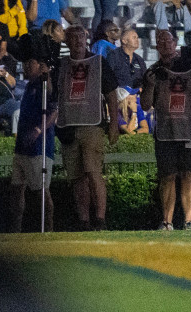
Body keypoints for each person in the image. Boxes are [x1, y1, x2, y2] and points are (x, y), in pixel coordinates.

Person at [56, 25, 120, 230]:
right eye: (72, 38)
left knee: (93, 173)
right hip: (69, 126)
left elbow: (111, 94)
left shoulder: (98, 62)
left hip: (92, 124)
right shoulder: (61, 64)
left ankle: (100, 219)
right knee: (76, 177)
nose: (77, 42)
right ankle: (83, 220)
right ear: (66, 41)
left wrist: (114, 124)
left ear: (86, 39)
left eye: (81, 38)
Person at [143, 29, 191, 230]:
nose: (165, 45)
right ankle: (166, 221)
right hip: (165, 130)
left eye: (168, 41)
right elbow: (145, 105)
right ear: (156, 46)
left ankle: (188, 221)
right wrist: (151, 85)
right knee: (167, 175)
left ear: (176, 42)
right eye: (160, 41)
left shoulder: (190, 66)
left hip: (189, 129)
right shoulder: (153, 71)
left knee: (189, 173)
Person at [9, 54, 56, 232]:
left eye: (31, 63)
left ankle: (48, 230)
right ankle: (15, 230)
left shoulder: (45, 85)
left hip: (39, 148)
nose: (26, 66)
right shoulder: (29, 86)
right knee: (16, 189)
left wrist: (38, 131)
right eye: (25, 63)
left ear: (41, 65)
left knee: (41, 191)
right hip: (22, 146)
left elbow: (53, 110)